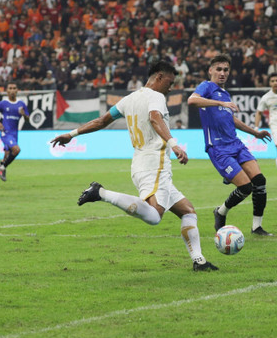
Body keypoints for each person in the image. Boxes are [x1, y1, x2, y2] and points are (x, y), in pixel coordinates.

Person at [51, 61, 218, 271]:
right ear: (158, 77)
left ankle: (199, 261)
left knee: (187, 210)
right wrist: (174, 145)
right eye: (169, 82)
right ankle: (100, 192)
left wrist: (72, 134)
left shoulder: (129, 99)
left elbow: (102, 121)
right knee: (155, 216)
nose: (171, 87)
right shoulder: (156, 97)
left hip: (140, 163)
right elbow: (155, 118)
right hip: (154, 162)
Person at [188, 54, 273, 236]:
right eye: (218, 69)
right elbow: (192, 100)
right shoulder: (207, 87)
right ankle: (221, 212)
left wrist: (255, 133)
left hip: (236, 144)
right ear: (210, 70)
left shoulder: (224, 94)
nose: (222, 73)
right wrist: (220, 102)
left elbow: (231, 119)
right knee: (245, 187)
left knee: (259, 181)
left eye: (226, 70)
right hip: (218, 148)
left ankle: (257, 227)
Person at [0, 82, 29, 188]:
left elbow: (28, 118)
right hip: (5, 132)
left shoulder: (21, 104)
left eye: (14, 88)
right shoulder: (3, 103)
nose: (12, 90)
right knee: (16, 150)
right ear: (7, 91)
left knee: (6, 156)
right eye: (10, 88)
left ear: (17, 90)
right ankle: (3, 168)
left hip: (15, 133)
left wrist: (23, 114)